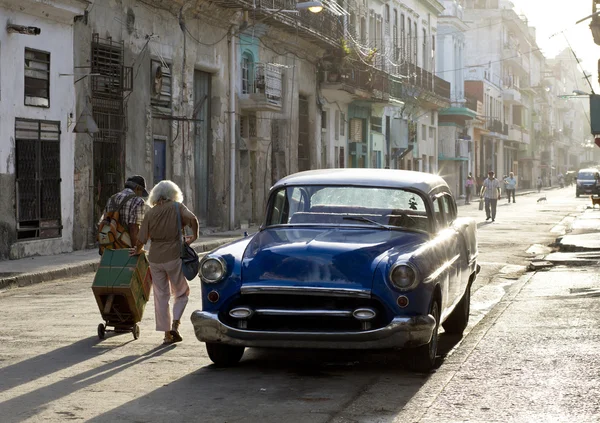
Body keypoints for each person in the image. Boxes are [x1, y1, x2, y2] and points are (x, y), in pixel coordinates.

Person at [131, 180, 199, 345]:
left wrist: (137, 250)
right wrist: (195, 236)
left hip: (154, 258)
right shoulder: (177, 207)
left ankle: (167, 334)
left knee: (161, 296)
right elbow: (193, 219)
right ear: (173, 194)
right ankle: (175, 324)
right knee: (181, 292)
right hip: (173, 256)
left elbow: (141, 238)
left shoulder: (150, 213)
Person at [98, 175, 149, 250]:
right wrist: (136, 249)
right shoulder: (138, 201)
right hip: (125, 245)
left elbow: (104, 221)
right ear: (138, 188)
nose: (141, 195)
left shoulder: (112, 198)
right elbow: (134, 227)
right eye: (141, 192)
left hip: (111, 244)